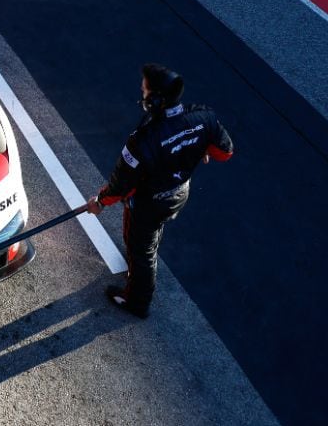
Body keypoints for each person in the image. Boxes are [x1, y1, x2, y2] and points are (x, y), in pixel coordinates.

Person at [86, 63, 234, 319]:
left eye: (144, 90)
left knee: (139, 248)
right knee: (151, 234)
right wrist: (202, 150)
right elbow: (225, 151)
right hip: (178, 195)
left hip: (148, 203)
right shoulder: (204, 117)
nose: (141, 94)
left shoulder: (142, 140)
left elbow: (121, 184)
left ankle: (136, 301)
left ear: (155, 100)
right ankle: (142, 260)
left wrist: (99, 202)